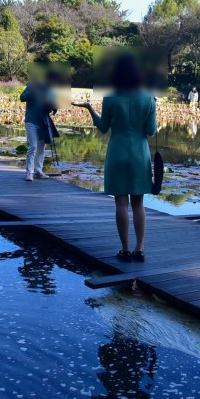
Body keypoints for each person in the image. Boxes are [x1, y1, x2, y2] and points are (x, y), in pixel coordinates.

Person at [73, 53, 157, 262]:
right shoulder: (149, 98)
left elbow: (103, 127)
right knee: (138, 203)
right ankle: (140, 249)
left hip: (118, 151)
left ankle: (125, 249)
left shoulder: (110, 97)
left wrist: (90, 108)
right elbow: (151, 130)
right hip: (139, 152)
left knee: (121, 203)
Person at [20, 72, 57, 181]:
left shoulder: (51, 91)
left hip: (44, 123)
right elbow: (22, 98)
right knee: (33, 147)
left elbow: (51, 106)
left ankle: (38, 171)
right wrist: (32, 91)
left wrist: (53, 107)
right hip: (31, 120)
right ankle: (29, 172)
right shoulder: (33, 85)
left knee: (41, 148)